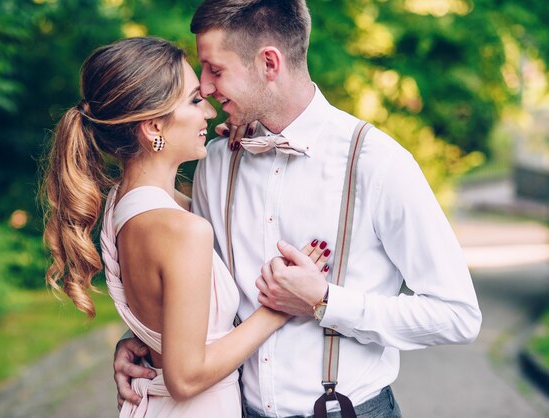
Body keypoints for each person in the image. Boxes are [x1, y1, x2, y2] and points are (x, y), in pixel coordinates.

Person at [114, 1, 483, 417]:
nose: (207, 87)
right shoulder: (215, 163)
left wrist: (325, 301)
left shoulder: (375, 162)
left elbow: (457, 316)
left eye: (216, 70)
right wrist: (147, 340)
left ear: (268, 63)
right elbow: (192, 287)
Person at [41, 36, 332, 417]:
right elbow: (185, 377)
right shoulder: (181, 230)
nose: (210, 113)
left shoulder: (126, 205)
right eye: (195, 101)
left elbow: (164, 318)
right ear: (153, 127)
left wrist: (243, 156)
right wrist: (279, 307)